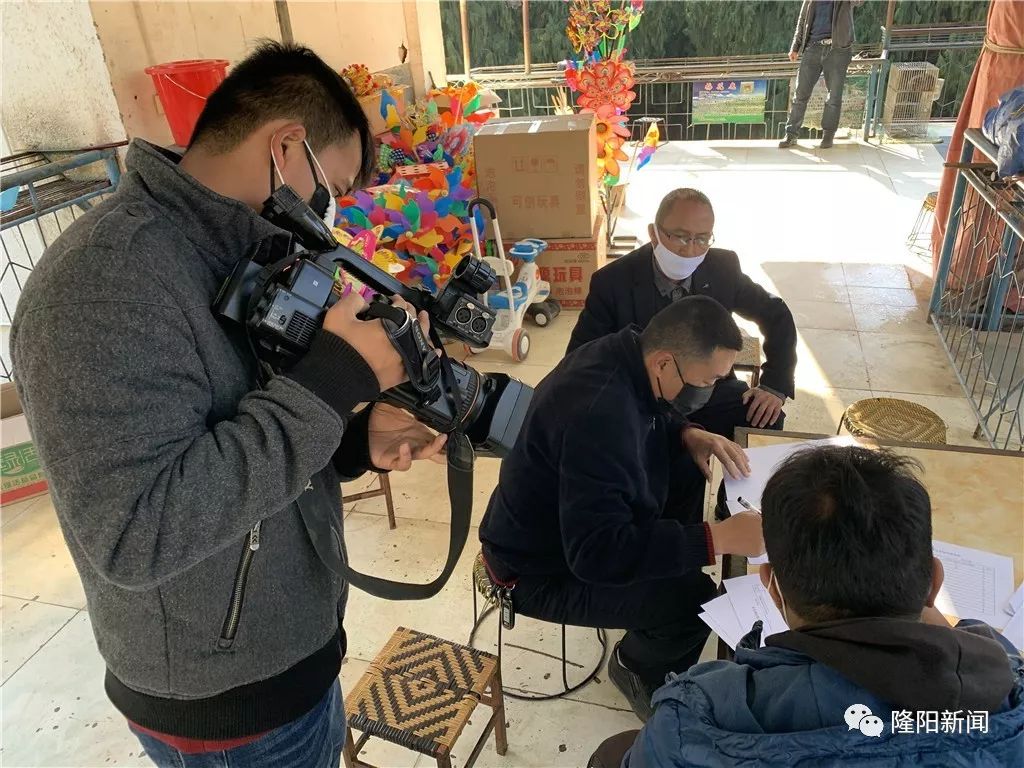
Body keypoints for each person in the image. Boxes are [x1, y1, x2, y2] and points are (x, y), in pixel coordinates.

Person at [10, 43, 447, 768]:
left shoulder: (241, 251)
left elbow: (238, 420)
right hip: (227, 711)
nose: (328, 214)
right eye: (331, 188)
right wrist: (331, 383)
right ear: (285, 147)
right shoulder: (102, 284)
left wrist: (349, 436)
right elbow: (135, 534)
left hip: (291, 662)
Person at [589, 446, 1024, 767]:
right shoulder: (1008, 685)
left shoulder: (699, 714)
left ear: (772, 587)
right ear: (934, 583)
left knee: (614, 753)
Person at [479, 296, 766, 722]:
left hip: (568, 524)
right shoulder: (598, 416)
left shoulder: (627, 351)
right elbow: (597, 555)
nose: (710, 390)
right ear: (665, 363)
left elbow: (650, 413)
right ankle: (634, 667)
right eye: (709, 379)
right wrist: (716, 538)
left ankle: (660, 593)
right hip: (535, 572)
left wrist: (686, 432)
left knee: (688, 467)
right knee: (694, 603)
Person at [568, 188, 796, 521]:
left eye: (702, 239)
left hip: (710, 390)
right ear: (654, 233)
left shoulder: (722, 268)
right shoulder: (613, 283)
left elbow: (775, 313)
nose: (690, 250)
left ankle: (735, 502)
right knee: (683, 465)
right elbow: (580, 359)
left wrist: (775, 383)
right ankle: (675, 529)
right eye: (679, 237)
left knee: (766, 417)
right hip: (648, 402)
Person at [778, 0, 865, 150]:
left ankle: (828, 135)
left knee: (834, 96)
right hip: (812, 48)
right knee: (800, 94)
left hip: (838, 50)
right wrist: (795, 46)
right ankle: (791, 134)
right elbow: (802, 20)